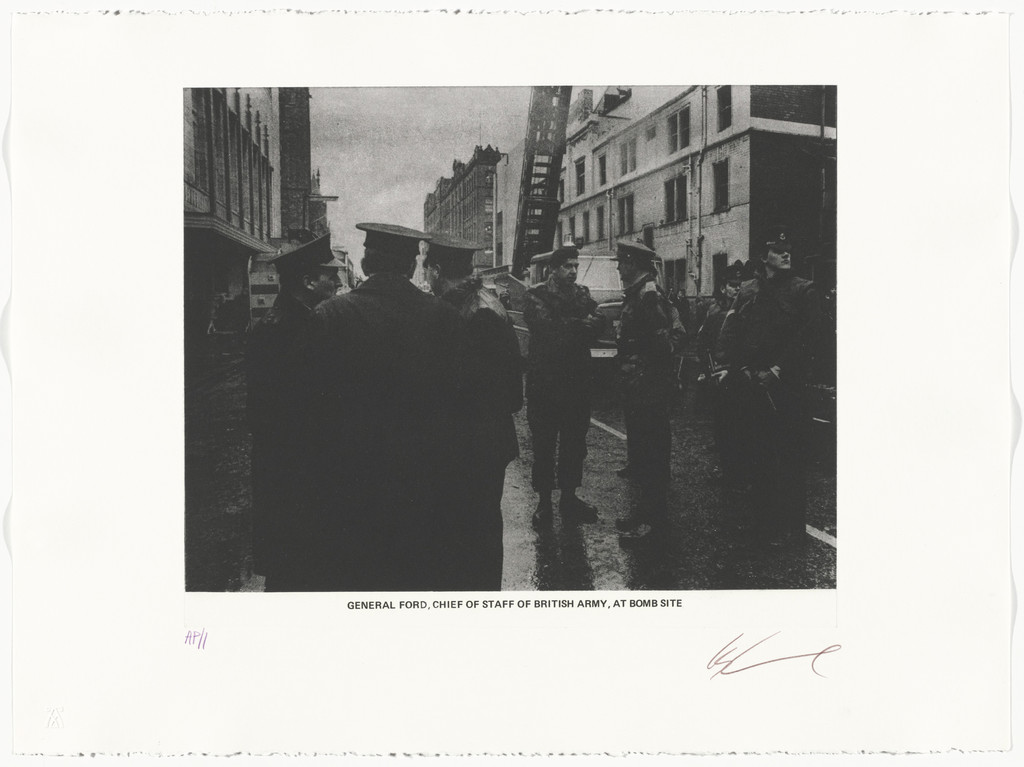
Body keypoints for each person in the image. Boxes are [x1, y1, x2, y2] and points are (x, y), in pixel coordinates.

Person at [297, 223, 467, 591]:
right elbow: (457, 403)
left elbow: (312, 409)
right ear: (410, 268)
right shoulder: (444, 317)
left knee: (360, 573)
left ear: (365, 262)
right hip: (421, 476)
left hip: (353, 475)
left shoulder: (330, 315)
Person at [424, 233, 524, 590]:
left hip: (472, 444)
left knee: (473, 530)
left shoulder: (472, 312)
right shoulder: (482, 302)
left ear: (436, 270)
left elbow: (493, 389)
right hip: (483, 441)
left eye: (428, 269)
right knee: (478, 525)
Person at [245, 233, 343, 591]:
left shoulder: (283, 324)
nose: (336, 282)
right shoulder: (295, 328)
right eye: (330, 275)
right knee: (297, 569)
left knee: (291, 564)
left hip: (287, 467)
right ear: (308, 281)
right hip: (296, 468)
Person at [716, 225, 822, 548]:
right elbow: (734, 332)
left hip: (787, 389)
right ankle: (763, 526)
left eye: (788, 248)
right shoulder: (749, 290)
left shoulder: (804, 290)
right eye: (778, 250)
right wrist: (740, 368)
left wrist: (776, 370)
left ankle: (792, 531)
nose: (786, 253)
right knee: (759, 458)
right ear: (765, 257)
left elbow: (808, 339)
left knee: (789, 461)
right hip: (754, 386)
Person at [523, 245, 606, 530]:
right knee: (544, 446)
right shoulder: (536, 294)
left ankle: (569, 498)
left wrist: (581, 325)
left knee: (574, 445)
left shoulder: (582, 294)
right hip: (545, 385)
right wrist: (579, 325)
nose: (572, 271)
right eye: (567, 266)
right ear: (553, 269)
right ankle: (544, 503)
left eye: (575, 266)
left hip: (576, 385)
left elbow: (598, 322)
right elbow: (548, 330)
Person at [612, 240, 675, 540]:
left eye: (621, 263)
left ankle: (653, 521)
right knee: (642, 455)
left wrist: (648, 382)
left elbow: (662, 346)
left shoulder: (648, 297)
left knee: (652, 455)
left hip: (648, 390)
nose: (619, 268)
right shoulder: (638, 293)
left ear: (632, 265)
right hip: (639, 388)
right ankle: (644, 513)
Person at [696, 260, 746, 487]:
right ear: (724, 286)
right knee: (722, 424)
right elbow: (703, 341)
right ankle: (728, 470)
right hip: (717, 371)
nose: (737, 288)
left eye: (740, 284)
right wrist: (706, 370)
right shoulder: (715, 310)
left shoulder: (747, 307)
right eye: (733, 285)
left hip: (737, 372)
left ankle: (738, 472)